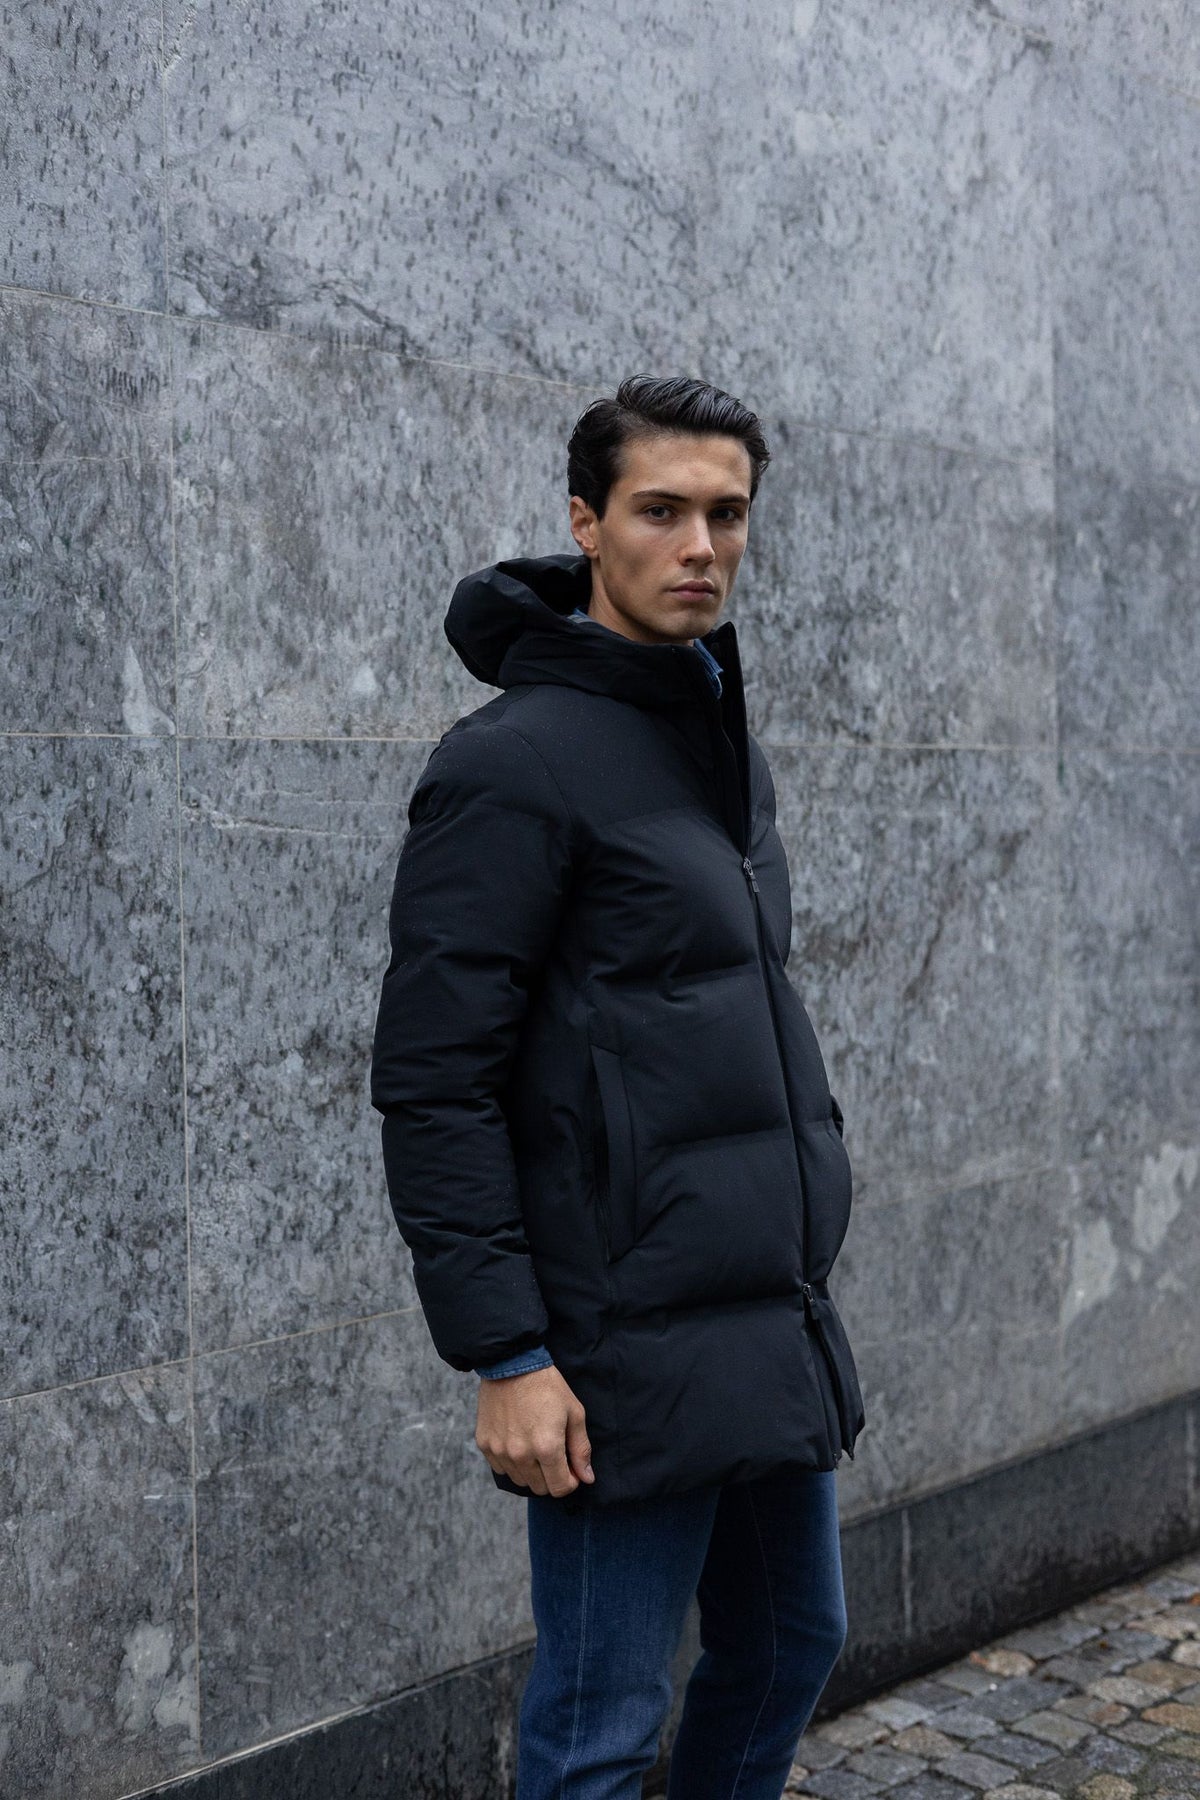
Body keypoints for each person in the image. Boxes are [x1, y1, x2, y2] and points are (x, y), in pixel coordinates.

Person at [370, 373, 866, 1799]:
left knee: (788, 1644)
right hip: (613, 1350)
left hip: (758, 1314)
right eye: (661, 511)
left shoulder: (714, 740)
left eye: (728, 513)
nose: (700, 545)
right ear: (587, 523)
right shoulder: (513, 762)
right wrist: (507, 1356)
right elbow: (435, 1080)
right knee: (598, 1727)